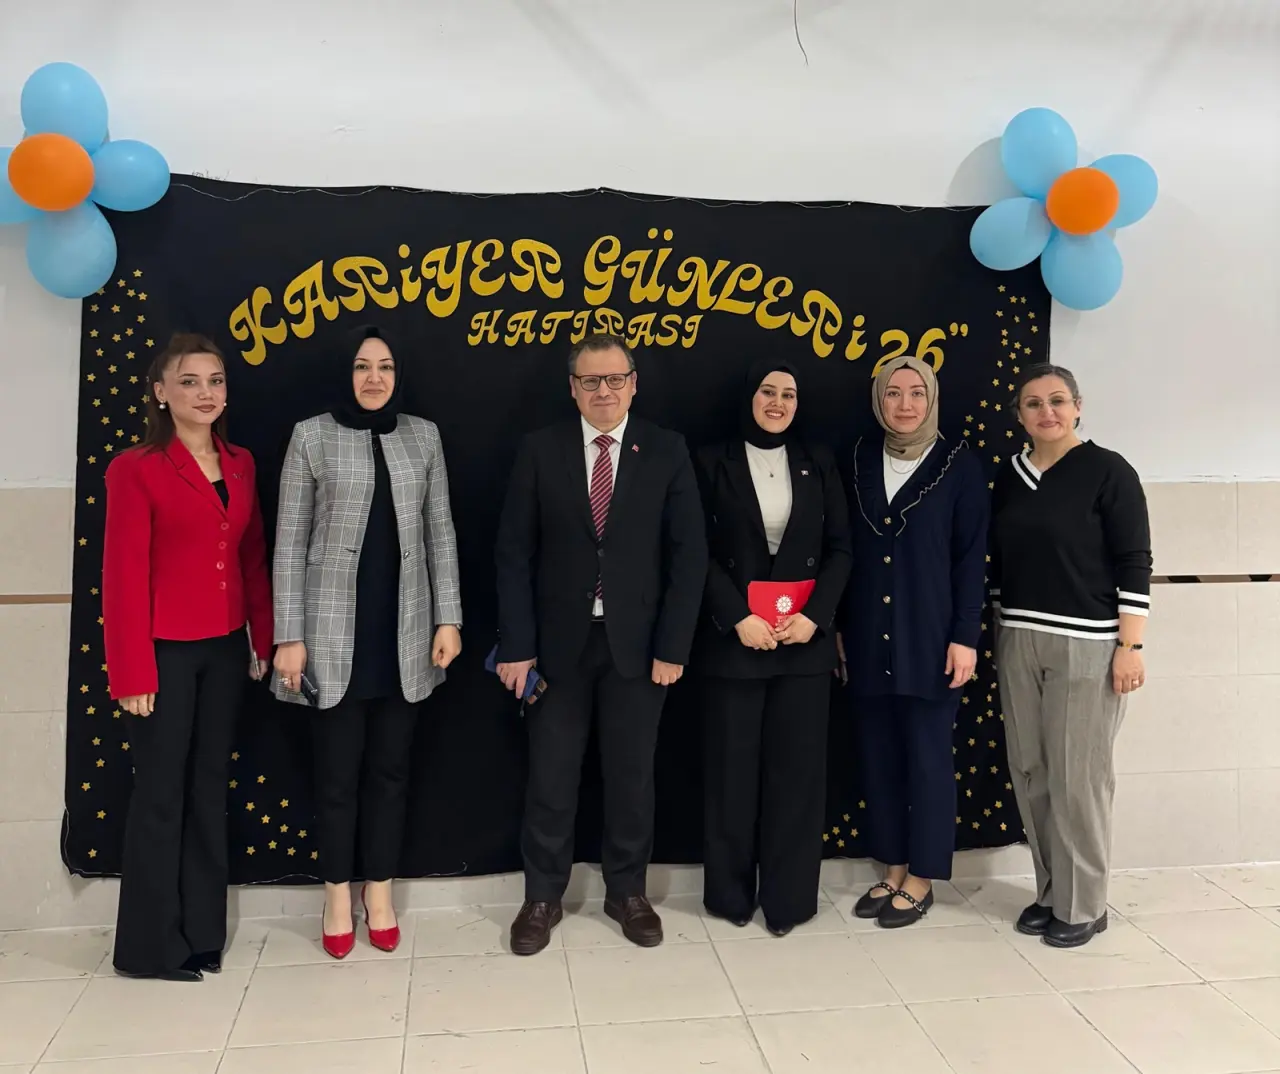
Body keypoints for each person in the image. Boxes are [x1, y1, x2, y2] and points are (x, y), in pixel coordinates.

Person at [494, 332, 708, 955]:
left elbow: (689, 555)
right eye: (591, 381)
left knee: (632, 777)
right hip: (555, 649)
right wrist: (517, 646)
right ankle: (542, 897)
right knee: (550, 778)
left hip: (639, 650)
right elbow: (513, 554)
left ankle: (627, 892)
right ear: (573, 388)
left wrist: (673, 647)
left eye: (615, 379)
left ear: (634, 384)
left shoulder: (666, 450)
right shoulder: (540, 450)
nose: (604, 391)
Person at [272, 325, 462, 960]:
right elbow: (289, 542)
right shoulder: (311, 435)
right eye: (361, 366)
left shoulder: (424, 436)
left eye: (384, 366)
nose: (373, 378)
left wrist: (449, 619)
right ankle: (335, 897)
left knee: (390, 773)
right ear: (346, 374)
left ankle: (379, 893)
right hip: (329, 640)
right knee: (335, 778)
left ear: (399, 374)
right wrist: (289, 636)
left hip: (404, 636)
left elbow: (441, 532)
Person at [103, 333, 273, 981]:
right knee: (160, 795)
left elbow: (251, 558)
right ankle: (150, 949)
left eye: (216, 380)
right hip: (163, 655)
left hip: (225, 650)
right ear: (160, 392)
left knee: (207, 790)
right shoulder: (135, 468)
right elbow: (122, 575)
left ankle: (202, 935)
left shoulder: (241, 463)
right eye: (190, 381)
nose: (206, 393)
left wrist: (261, 637)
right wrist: (131, 671)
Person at [991, 362, 1150, 949]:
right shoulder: (1009, 477)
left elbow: (1134, 561)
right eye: (1033, 404)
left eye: (1057, 400)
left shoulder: (1109, 471)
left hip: (1087, 643)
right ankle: (1052, 891)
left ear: (1078, 406)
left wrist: (1130, 645)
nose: (1047, 412)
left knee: (1078, 778)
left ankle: (1085, 904)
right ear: (1019, 416)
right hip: (1018, 638)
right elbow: (998, 561)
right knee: (1032, 770)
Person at [694, 360, 851, 936]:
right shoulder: (709, 461)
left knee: (797, 780)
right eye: (767, 391)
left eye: (788, 393)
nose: (778, 402)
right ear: (749, 397)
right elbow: (694, 549)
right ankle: (729, 897)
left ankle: (789, 901)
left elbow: (841, 549)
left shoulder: (818, 461)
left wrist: (816, 617)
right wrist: (737, 617)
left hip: (802, 644)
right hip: (737, 643)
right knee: (731, 777)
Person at [842, 356, 989, 928]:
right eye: (893, 393)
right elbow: (843, 550)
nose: (905, 405)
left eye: (916, 393)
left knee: (927, 760)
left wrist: (965, 637)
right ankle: (893, 867)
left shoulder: (960, 466)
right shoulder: (858, 459)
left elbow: (970, 560)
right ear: (878, 399)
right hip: (866, 638)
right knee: (878, 759)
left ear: (932, 399)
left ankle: (922, 877)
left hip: (932, 639)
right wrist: (837, 629)